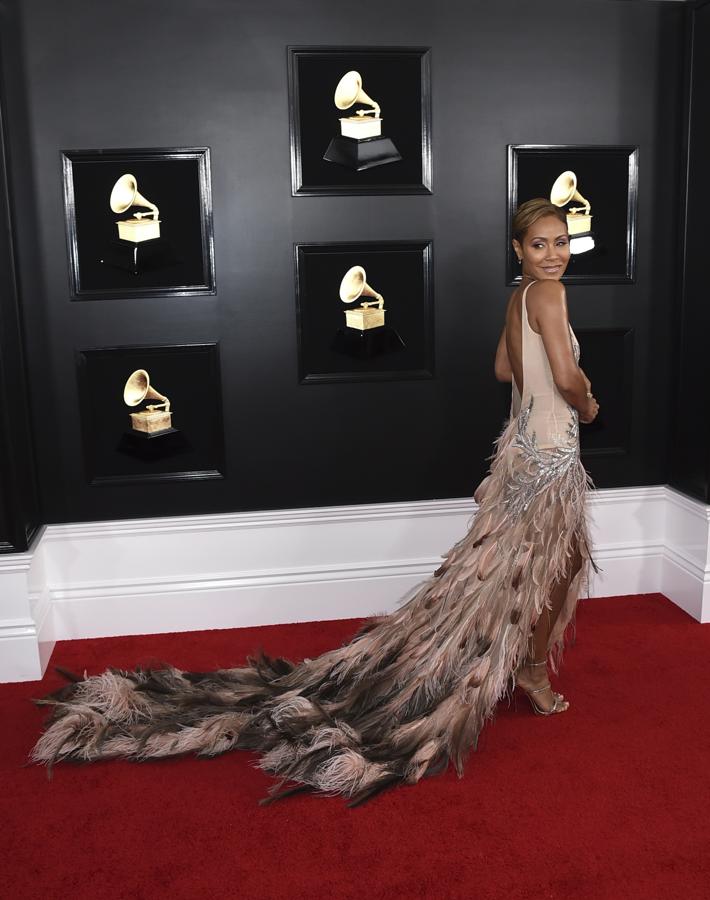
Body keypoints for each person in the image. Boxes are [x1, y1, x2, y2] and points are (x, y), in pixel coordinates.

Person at [31, 198, 600, 807]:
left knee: (551, 563)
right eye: (539, 244)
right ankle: (531, 668)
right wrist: (587, 402)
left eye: (561, 242)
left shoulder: (519, 297)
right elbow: (565, 378)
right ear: (518, 250)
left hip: (523, 454)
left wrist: (544, 378)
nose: (553, 254)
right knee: (552, 564)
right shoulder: (548, 296)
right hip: (547, 456)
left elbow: (499, 368)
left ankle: (524, 660)